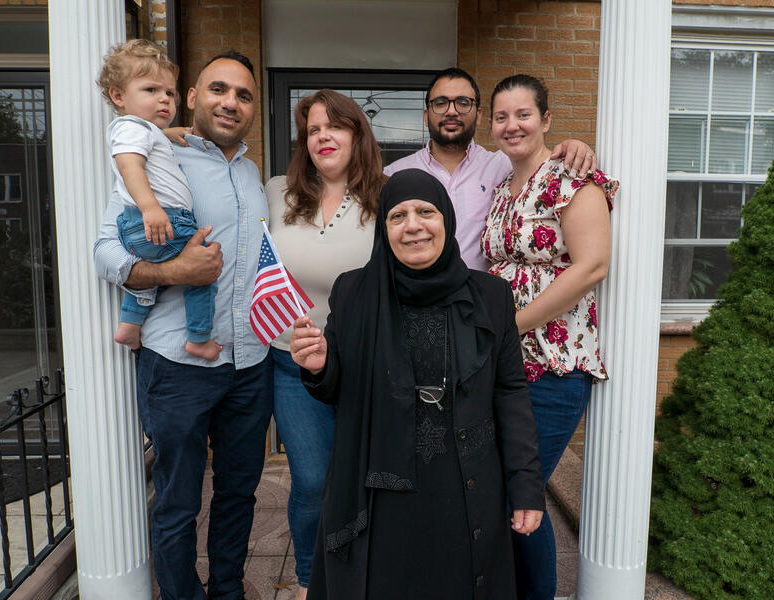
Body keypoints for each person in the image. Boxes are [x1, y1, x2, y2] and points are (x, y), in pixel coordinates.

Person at [290, 168, 546, 600]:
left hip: (466, 486)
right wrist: (319, 366)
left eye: (425, 212)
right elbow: (334, 389)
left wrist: (526, 485)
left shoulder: (491, 296)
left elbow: (511, 394)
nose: (413, 226)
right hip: (382, 495)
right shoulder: (353, 292)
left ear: (445, 218)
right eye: (397, 215)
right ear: (384, 229)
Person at [93, 50, 272, 600]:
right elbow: (106, 252)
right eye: (218, 89)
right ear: (192, 99)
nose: (230, 103)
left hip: (249, 363)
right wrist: (175, 269)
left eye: (243, 95)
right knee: (177, 500)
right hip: (178, 364)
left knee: (240, 494)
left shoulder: (250, 172)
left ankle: (227, 591)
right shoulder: (157, 156)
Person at [481, 74, 618, 600]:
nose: (511, 125)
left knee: (522, 494)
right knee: (503, 489)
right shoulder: (501, 190)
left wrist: (510, 326)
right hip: (501, 365)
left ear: (546, 120)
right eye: (501, 116)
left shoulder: (572, 181)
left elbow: (591, 266)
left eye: (523, 114)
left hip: (554, 364)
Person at [265, 89, 386, 600]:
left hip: (367, 365)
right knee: (313, 481)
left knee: (371, 479)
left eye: (335, 126)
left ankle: (370, 574)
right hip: (294, 364)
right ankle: (313, 580)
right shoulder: (276, 190)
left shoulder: (387, 194)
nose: (323, 137)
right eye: (313, 129)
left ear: (357, 134)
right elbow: (210, 170)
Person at [384, 67, 597, 271]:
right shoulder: (394, 175)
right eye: (440, 103)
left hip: (481, 301)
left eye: (463, 103)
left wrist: (575, 146)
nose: (451, 111)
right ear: (425, 115)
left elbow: (541, 160)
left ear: (478, 115)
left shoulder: (505, 166)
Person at [97, 39, 221, 361]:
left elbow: (145, 143)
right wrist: (150, 208)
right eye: (151, 90)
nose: (164, 99)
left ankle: (129, 324)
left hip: (145, 222)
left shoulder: (143, 130)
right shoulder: (129, 128)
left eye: (169, 92)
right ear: (118, 95)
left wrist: (167, 134)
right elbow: (130, 164)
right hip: (157, 217)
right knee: (202, 272)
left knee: (150, 270)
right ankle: (198, 338)